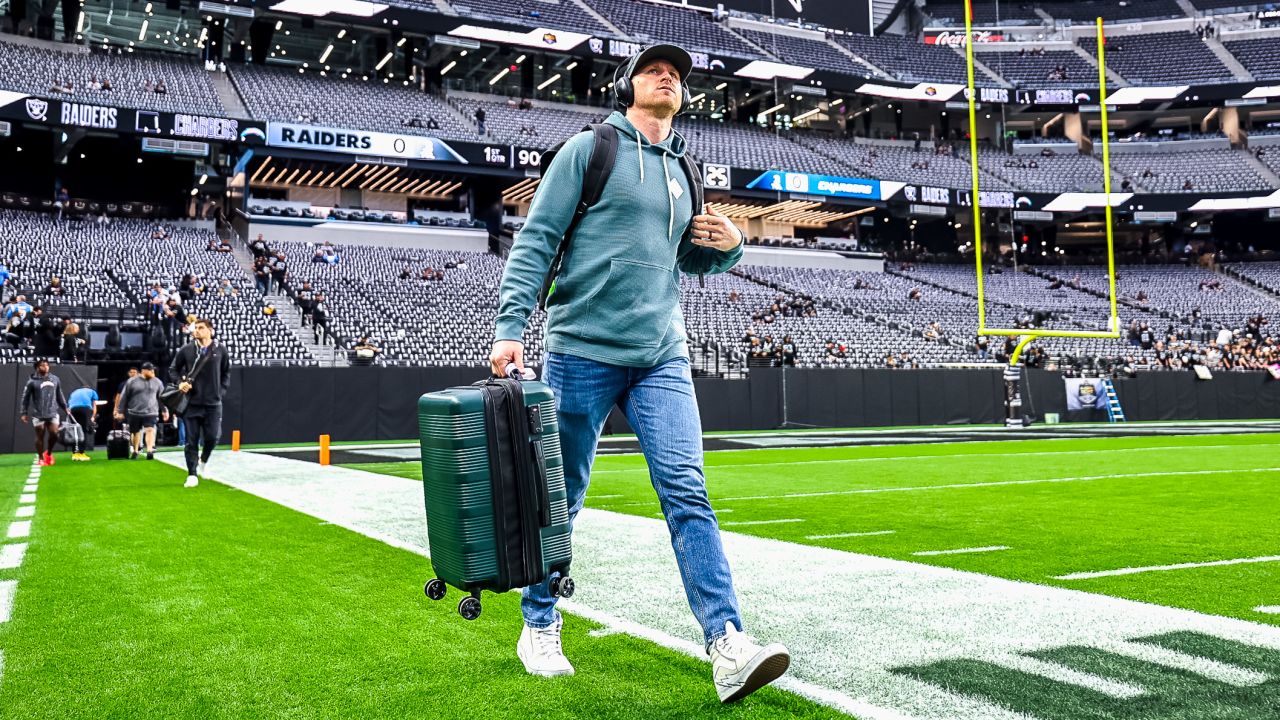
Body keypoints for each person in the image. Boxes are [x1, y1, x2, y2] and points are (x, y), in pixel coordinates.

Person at [489, 43, 789, 703]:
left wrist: (735, 249)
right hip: (581, 350)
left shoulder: (685, 167)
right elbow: (538, 238)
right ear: (629, 84)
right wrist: (510, 326)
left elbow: (692, 261)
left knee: (688, 494)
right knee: (561, 498)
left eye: (678, 75)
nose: (669, 78)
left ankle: (727, 642)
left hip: (661, 356)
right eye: (657, 69)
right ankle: (539, 622)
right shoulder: (589, 150)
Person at [169, 318, 231, 488]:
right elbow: (173, 369)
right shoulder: (187, 350)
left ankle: (203, 461)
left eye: (201, 328)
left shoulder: (221, 350)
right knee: (191, 440)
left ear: (210, 330)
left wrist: (221, 391)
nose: (197, 331)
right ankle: (192, 474)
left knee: (212, 437)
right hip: (191, 403)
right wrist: (179, 383)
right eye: (195, 328)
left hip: (213, 403)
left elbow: (226, 373)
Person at [114, 362, 169, 460]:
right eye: (150, 370)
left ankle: (149, 451)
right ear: (143, 371)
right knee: (135, 432)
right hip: (134, 412)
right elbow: (124, 397)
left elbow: (162, 398)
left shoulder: (157, 382)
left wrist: (164, 410)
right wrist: (120, 411)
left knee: (150, 430)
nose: (152, 372)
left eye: (153, 370)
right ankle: (135, 451)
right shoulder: (132, 381)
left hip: (151, 412)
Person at [19, 359, 68, 466]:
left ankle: (49, 453)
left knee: (54, 434)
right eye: (42, 365)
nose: (45, 367)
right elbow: (25, 398)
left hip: (52, 412)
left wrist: (65, 407)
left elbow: (60, 395)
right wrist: (24, 413)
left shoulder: (55, 379)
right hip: (38, 413)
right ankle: (41, 458)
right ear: (37, 368)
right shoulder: (31, 381)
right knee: (40, 435)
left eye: (47, 365)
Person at [67, 383, 99, 460]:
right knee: (83, 430)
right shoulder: (92, 391)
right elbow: (94, 407)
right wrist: (92, 418)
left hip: (72, 410)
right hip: (84, 409)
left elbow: (69, 404)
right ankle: (81, 453)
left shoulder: (75, 392)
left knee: (75, 431)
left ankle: (75, 454)